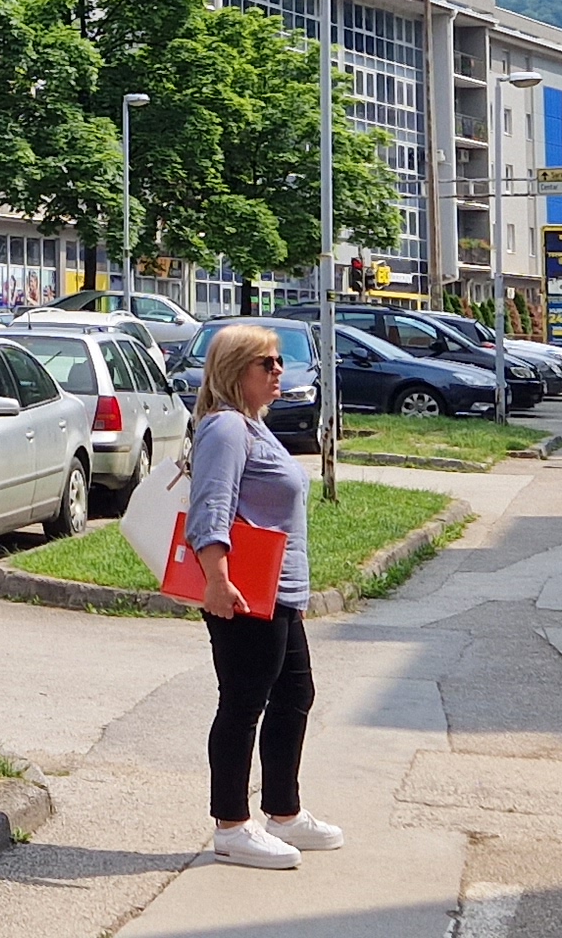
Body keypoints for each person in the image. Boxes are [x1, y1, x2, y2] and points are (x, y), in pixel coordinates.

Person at [185, 323, 342, 870]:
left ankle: (283, 812)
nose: (279, 370)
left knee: (295, 694)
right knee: (243, 703)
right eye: (266, 363)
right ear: (236, 371)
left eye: (279, 361)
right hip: (245, 591)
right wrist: (216, 579)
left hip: (281, 592)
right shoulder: (226, 428)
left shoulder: (253, 425)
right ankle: (231, 827)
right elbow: (211, 508)